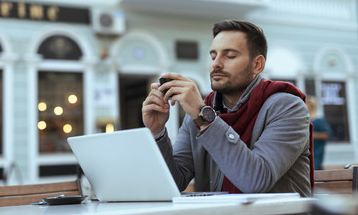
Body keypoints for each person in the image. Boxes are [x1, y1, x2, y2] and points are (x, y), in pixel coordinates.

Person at [142, 20, 313, 197]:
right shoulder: (199, 112)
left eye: (229, 56)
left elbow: (255, 180)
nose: (216, 63)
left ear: (257, 65)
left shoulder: (288, 108)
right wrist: (157, 132)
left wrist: (203, 116)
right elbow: (174, 182)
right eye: (213, 56)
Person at [306, 95, 332, 170]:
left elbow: (326, 134)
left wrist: (310, 134)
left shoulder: (318, 121)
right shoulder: (303, 120)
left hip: (315, 156)